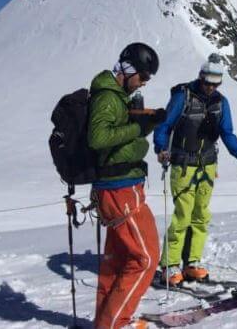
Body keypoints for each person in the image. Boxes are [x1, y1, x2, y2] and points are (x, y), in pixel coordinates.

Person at [154, 53, 237, 286]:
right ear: (200, 77)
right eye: (207, 82)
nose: (210, 87)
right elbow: (165, 125)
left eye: (215, 83)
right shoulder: (183, 96)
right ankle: (169, 266)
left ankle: (192, 263)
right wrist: (161, 148)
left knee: (200, 217)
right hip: (182, 165)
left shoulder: (221, 103)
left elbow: (227, 133)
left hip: (207, 166)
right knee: (182, 216)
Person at [88, 42, 167, 329]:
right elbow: (98, 138)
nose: (144, 82)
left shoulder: (115, 96)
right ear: (129, 69)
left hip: (118, 187)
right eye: (143, 76)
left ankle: (105, 323)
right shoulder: (108, 98)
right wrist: (137, 128)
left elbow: (115, 133)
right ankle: (116, 324)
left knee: (118, 261)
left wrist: (147, 122)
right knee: (145, 258)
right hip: (119, 189)